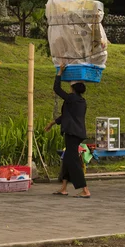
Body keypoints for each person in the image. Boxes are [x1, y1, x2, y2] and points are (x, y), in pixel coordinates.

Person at [44, 63, 90, 198]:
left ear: (72, 88)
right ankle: (63, 187)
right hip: (77, 133)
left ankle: (85, 190)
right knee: (68, 158)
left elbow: (56, 88)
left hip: (72, 133)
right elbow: (67, 116)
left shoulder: (71, 98)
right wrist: (52, 123)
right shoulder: (82, 101)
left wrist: (59, 73)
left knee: (73, 161)